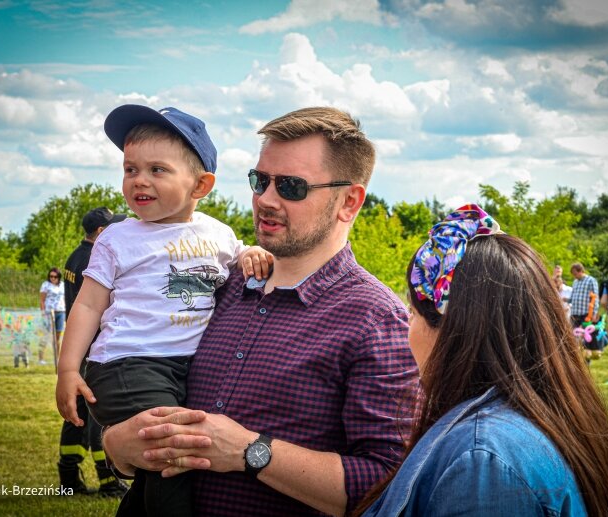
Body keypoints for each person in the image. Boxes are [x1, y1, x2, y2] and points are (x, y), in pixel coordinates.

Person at [100, 106, 418, 517]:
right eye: (259, 180)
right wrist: (116, 447)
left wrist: (252, 451)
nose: (265, 199)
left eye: (291, 186)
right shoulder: (215, 284)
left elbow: (389, 482)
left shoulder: (376, 320)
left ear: (349, 201)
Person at [56, 105, 274, 516]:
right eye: (130, 169)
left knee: (158, 466)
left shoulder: (217, 233)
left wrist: (254, 253)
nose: (139, 180)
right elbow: (87, 304)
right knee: (176, 452)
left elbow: (238, 257)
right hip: (127, 364)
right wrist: (68, 369)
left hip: (182, 368)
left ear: (200, 185)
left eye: (158, 169)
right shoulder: (118, 238)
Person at [352, 205, 608, 516]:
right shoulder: (518, 427)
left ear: (451, 330)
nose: (407, 329)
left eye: (412, 314)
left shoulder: (482, 464)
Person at [56, 206, 128, 497]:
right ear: (100, 232)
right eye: (111, 228)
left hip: (80, 347)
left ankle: (69, 477)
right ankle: (109, 481)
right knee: (99, 415)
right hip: (93, 347)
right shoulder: (94, 257)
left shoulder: (75, 256)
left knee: (76, 416)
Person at [569, 262, 601, 362]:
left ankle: (587, 359)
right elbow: (573, 296)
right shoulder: (575, 282)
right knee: (575, 336)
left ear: (581, 271)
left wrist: (595, 312)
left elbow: (595, 297)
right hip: (575, 313)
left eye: (575, 273)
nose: (574, 276)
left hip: (586, 314)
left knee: (587, 336)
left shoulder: (591, 280)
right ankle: (577, 357)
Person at [38, 267, 65, 366]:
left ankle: (58, 359)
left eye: (55, 276)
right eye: (51, 276)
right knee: (45, 335)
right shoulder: (45, 285)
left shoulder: (63, 285)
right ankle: (40, 358)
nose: (52, 278)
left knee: (58, 337)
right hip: (49, 312)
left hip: (61, 312)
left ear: (59, 277)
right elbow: (42, 300)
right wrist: (43, 313)